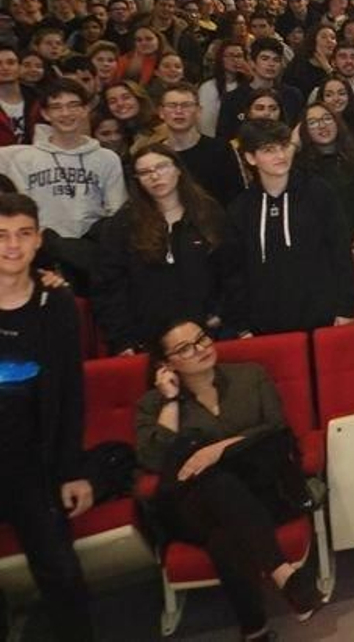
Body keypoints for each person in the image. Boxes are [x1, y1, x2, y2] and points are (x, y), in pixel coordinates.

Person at [134, 319, 326, 637]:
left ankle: (255, 630)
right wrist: (170, 401)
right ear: (166, 364)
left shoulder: (250, 375)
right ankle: (283, 573)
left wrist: (216, 451)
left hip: (262, 493)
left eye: (202, 339)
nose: (201, 350)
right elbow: (154, 459)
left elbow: (277, 429)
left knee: (223, 533)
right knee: (209, 478)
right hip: (192, 510)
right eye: (185, 348)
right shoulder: (152, 404)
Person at [0, 193, 95, 641]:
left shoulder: (56, 303)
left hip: (35, 466)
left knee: (61, 575)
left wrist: (71, 469)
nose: (12, 246)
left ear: (38, 240)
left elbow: (72, 390)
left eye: (22, 234)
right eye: (0, 236)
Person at [224, 122, 354, 334]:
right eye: (269, 149)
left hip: (324, 316)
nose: (280, 155)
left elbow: (340, 251)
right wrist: (242, 326)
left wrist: (346, 308)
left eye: (284, 146)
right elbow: (234, 272)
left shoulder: (318, 192)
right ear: (250, 158)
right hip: (265, 323)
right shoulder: (240, 209)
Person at [95, 145, 228, 355]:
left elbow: (230, 271)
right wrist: (123, 340)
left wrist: (221, 314)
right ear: (137, 180)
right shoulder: (122, 225)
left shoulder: (208, 213)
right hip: (149, 342)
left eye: (162, 167)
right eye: (145, 172)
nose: (155, 176)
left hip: (209, 335)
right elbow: (111, 287)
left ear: (178, 169)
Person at [0, 79, 127, 240]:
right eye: (56, 107)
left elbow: (116, 211)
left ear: (85, 109)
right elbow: (20, 212)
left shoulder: (107, 159)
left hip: (92, 248)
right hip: (42, 247)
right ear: (45, 114)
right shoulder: (24, 159)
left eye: (73, 105)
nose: (66, 113)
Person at [294, 104, 354, 263]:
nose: (322, 125)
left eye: (327, 118)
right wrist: (292, 144)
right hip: (311, 254)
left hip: (353, 250)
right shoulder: (298, 168)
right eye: (313, 122)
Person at [157, 82, 244, 208]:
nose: (179, 111)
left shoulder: (221, 150)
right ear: (161, 112)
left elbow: (236, 197)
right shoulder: (153, 155)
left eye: (186, 105)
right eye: (172, 105)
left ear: (198, 111)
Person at [218, 38, 304, 143]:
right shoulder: (232, 98)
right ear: (252, 62)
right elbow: (223, 138)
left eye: (276, 60)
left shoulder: (293, 95)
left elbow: (299, 132)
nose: (271, 64)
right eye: (265, 58)